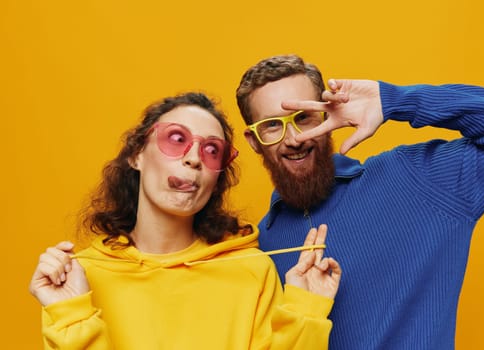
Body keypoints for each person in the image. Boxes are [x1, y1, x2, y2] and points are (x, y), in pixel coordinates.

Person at [236, 54, 484, 349]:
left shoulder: (416, 180)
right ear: (253, 140)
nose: (294, 138)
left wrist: (394, 101)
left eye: (303, 117)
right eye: (272, 125)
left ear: (326, 115)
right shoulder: (260, 249)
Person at [29, 92, 342, 349]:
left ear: (215, 179)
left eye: (211, 150)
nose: (194, 158)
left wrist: (305, 311)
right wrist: (71, 317)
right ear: (136, 154)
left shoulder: (250, 271)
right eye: (177, 139)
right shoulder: (77, 281)